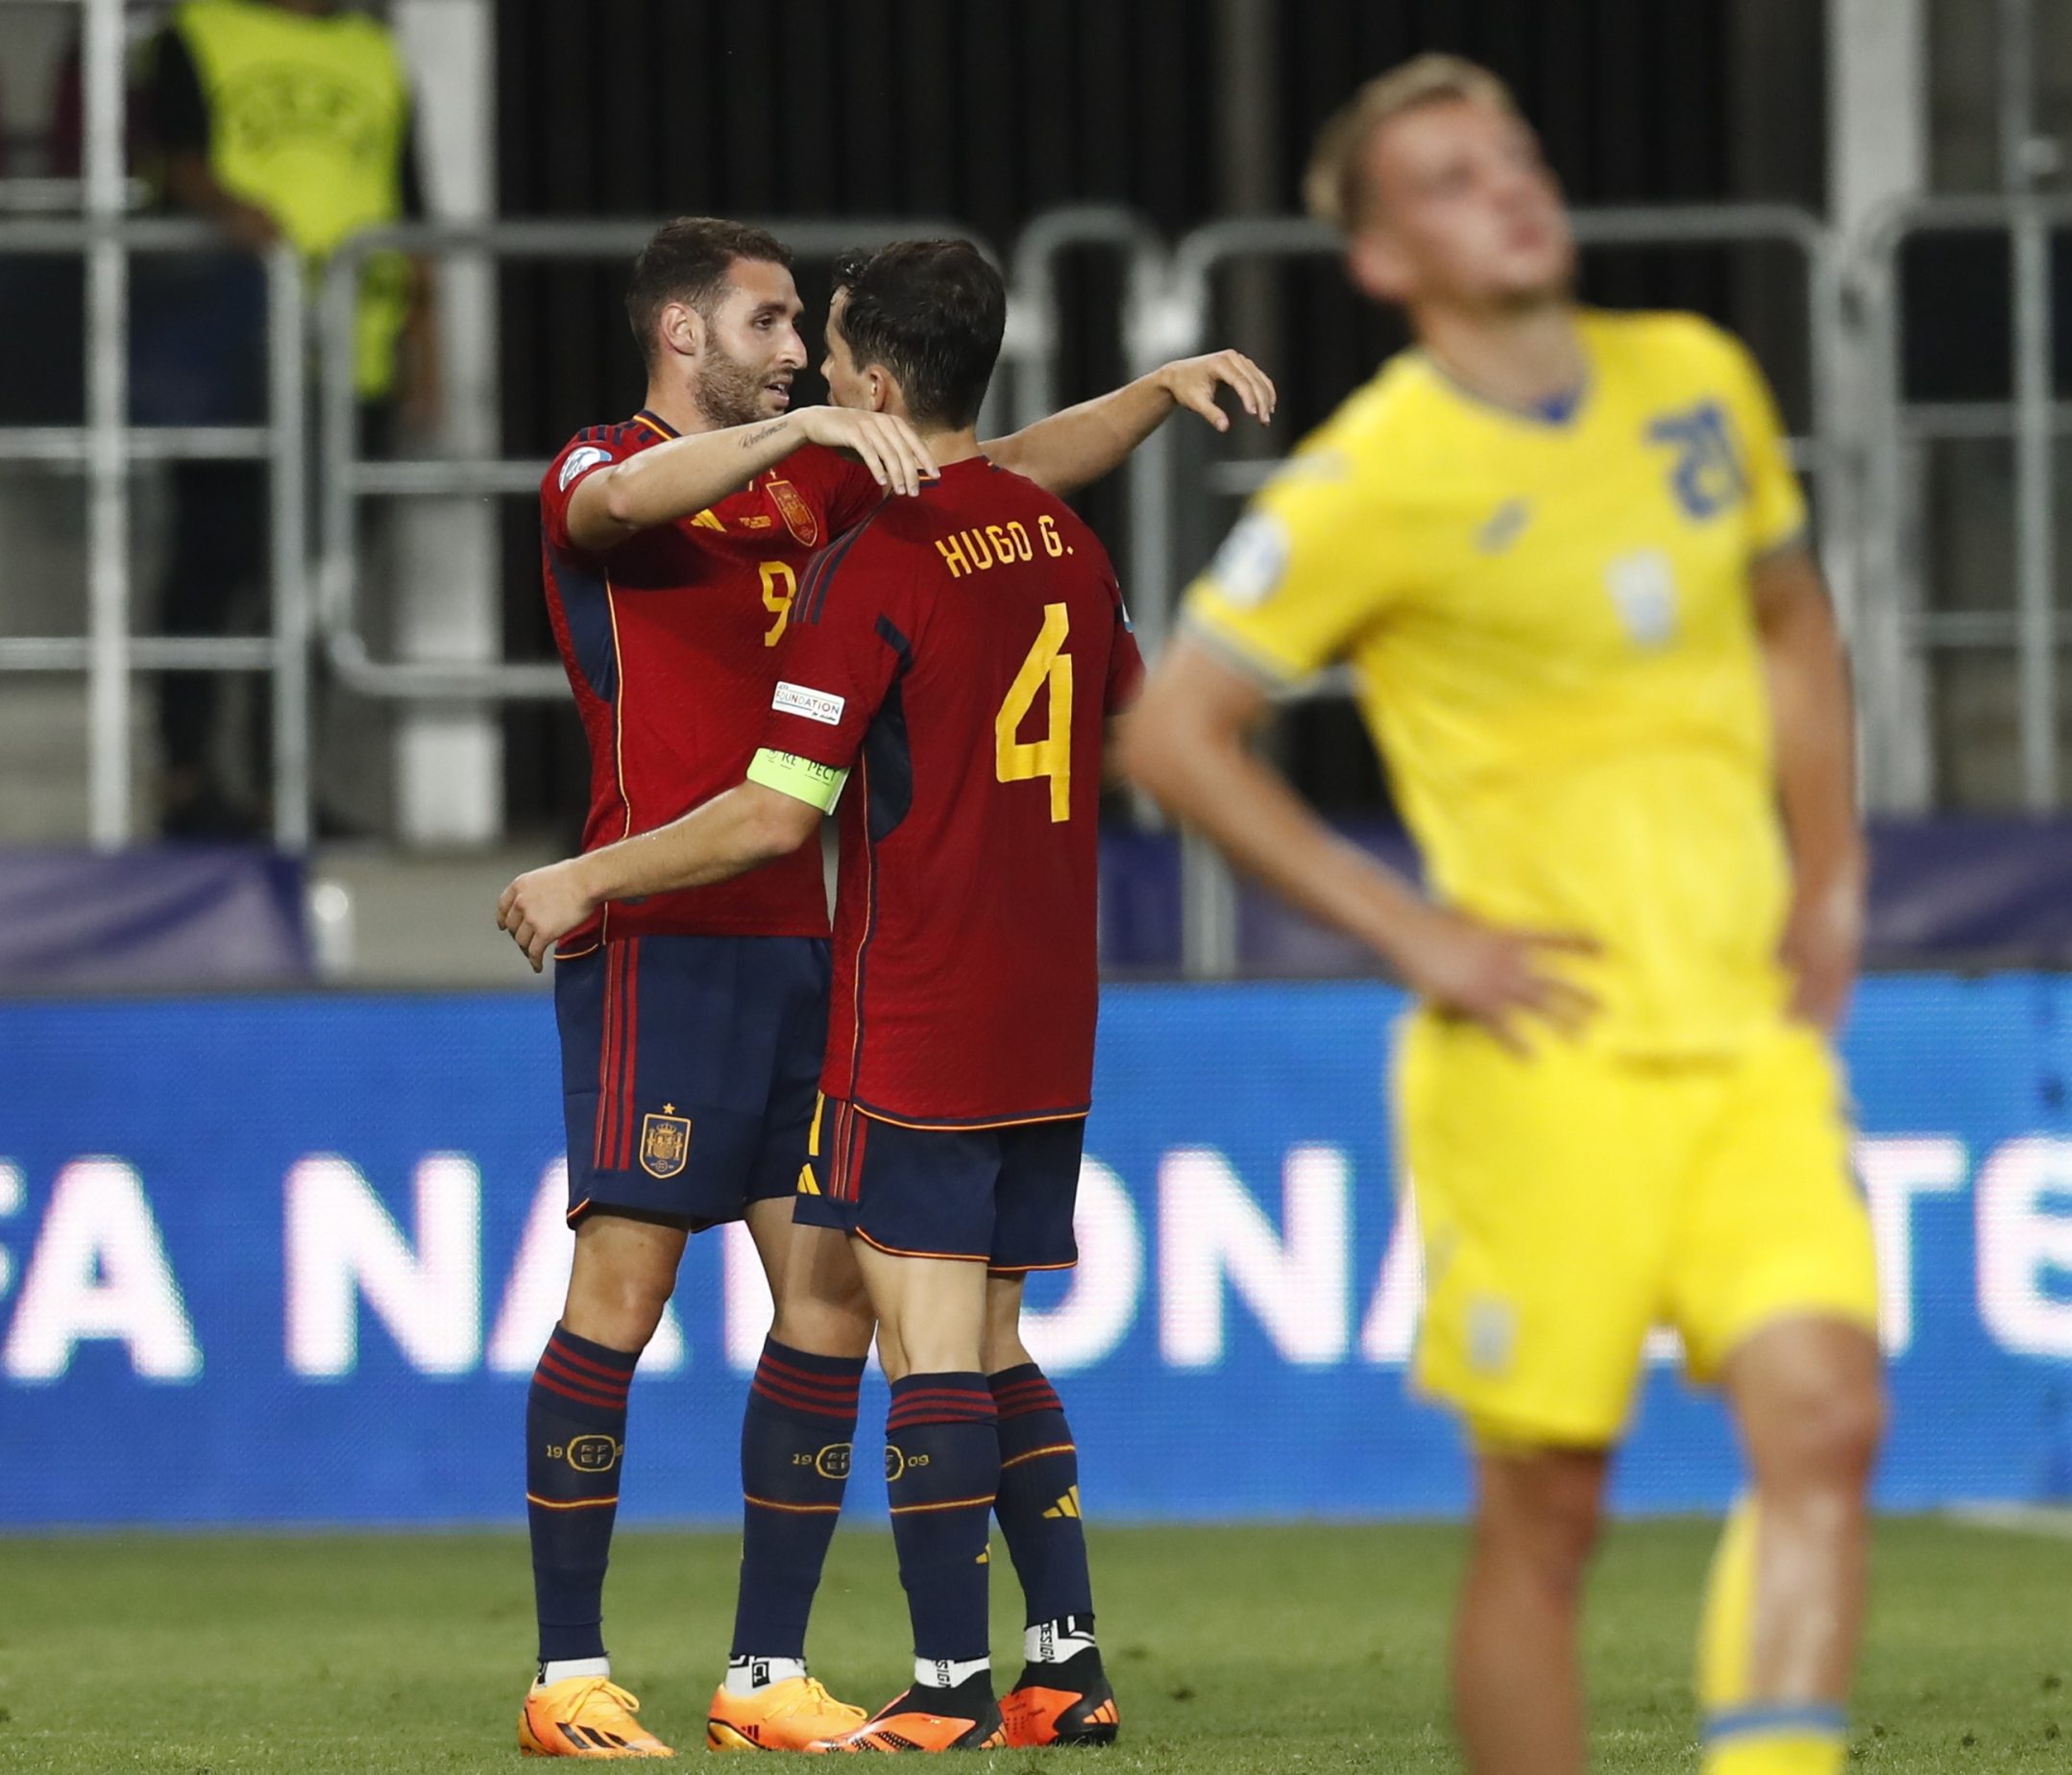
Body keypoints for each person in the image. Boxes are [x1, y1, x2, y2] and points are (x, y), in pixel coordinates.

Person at [1119, 56, 1883, 1775]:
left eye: (1516, 155)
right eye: (1453, 178)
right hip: (1542, 1058)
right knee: (1549, 1515)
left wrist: (1829, 873)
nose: (1511, 188)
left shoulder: (1696, 378)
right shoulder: (1378, 472)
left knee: (1825, 1420)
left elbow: (1788, 614)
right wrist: (1417, 936)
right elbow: (1173, 729)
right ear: (1384, 260)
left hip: (1746, 1037)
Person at [505, 218, 1270, 1758]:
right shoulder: (606, 466)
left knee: (836, 1309)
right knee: (626, 1293)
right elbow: (616, 510)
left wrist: (1150, 390)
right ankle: (568, 1672)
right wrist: (807, 423)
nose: (794, 348)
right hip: (668, 939)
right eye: (766, 320)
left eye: (808, 329)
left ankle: (763, 1672)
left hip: (818, 945)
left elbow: (1000, 472)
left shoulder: (832, 485)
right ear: (680, 334)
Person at [139, 0, 435, 836]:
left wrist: (428, 348)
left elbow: (411, 208)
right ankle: (186, 778)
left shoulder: (373, 52)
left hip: (355, 355)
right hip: (226, 352)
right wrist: (238, 222)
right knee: (214, 559)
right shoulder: (194, 32)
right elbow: (176, 161)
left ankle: (284, 786)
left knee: (319, 582)